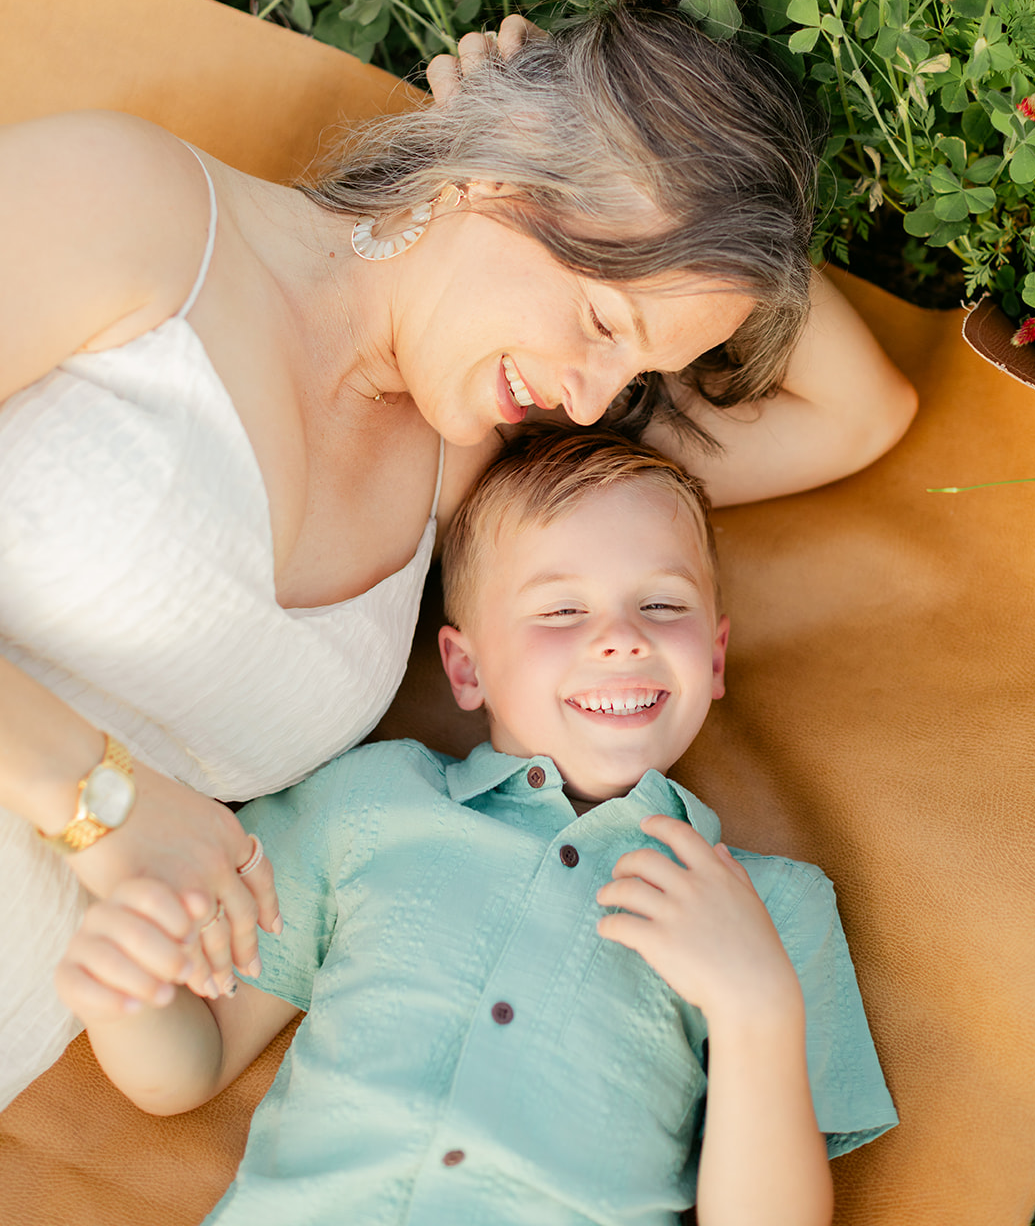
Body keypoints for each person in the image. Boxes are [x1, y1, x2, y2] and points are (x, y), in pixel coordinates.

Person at [0, 0, 917, 1106]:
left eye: (636, 375)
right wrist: (100, 800)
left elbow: (858, 412)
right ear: (500, 167)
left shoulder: (486, 478)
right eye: (597, 320)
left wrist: (730, 222)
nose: (592, 399)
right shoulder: (135, 210)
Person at [57, 427, 897, 1226]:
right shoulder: (369, 805)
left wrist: (755, 1008)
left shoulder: (771, 909)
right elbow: (188, 1066)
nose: (619, 639)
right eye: (561, 612)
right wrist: (125, 992)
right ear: (465, 667)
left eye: (660, 602)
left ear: (713, 659)